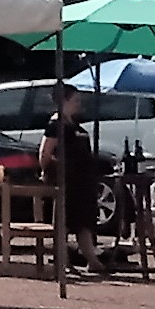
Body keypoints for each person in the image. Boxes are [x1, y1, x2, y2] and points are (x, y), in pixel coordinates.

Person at [38, 83, 107, 276]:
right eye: (75, 100)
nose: (79, 104)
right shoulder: (55, 125)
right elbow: (44, 153)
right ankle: (63, 260)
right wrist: (50, 172)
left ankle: (92, 259)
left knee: (84, 222)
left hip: (83, 181)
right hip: (67, 181)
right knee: (65, 222)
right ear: (63, 101)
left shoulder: (75, 124)